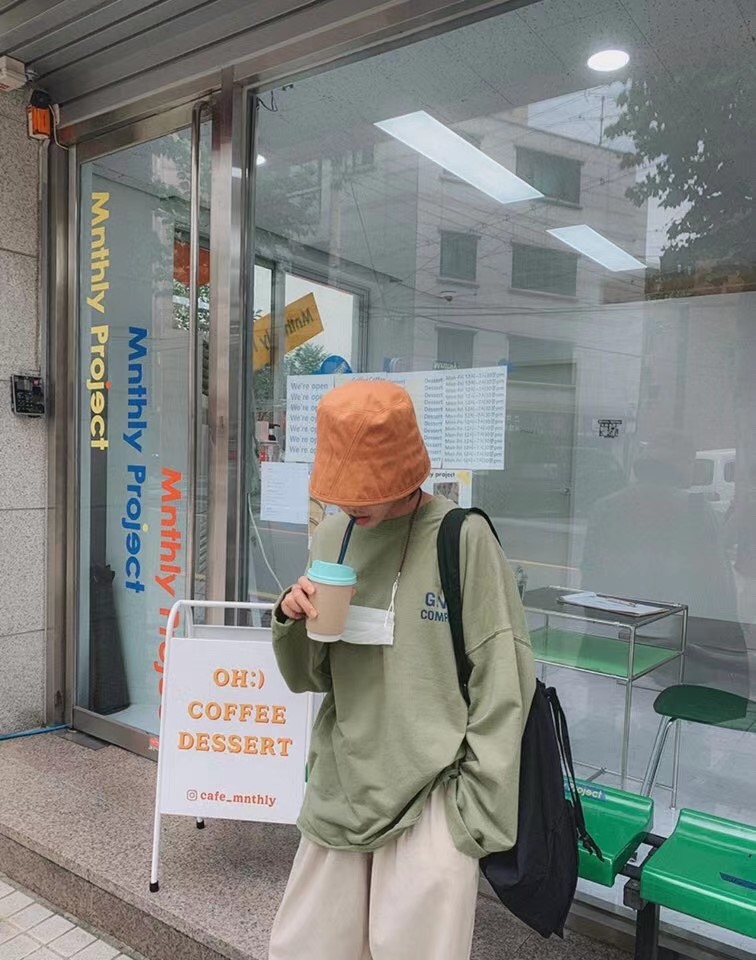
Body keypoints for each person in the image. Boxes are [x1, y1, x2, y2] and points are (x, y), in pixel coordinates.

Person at [268, 380, 536, 960]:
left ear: (404, 470)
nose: (351, 504)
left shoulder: (462, 539)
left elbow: (503, 680)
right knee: (304, 949)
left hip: (435, 795)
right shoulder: (333, 536)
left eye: (365, 488)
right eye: (342, 490)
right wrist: (290, 616)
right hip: (343, 785)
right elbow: (311, 676)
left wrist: (472, 817)